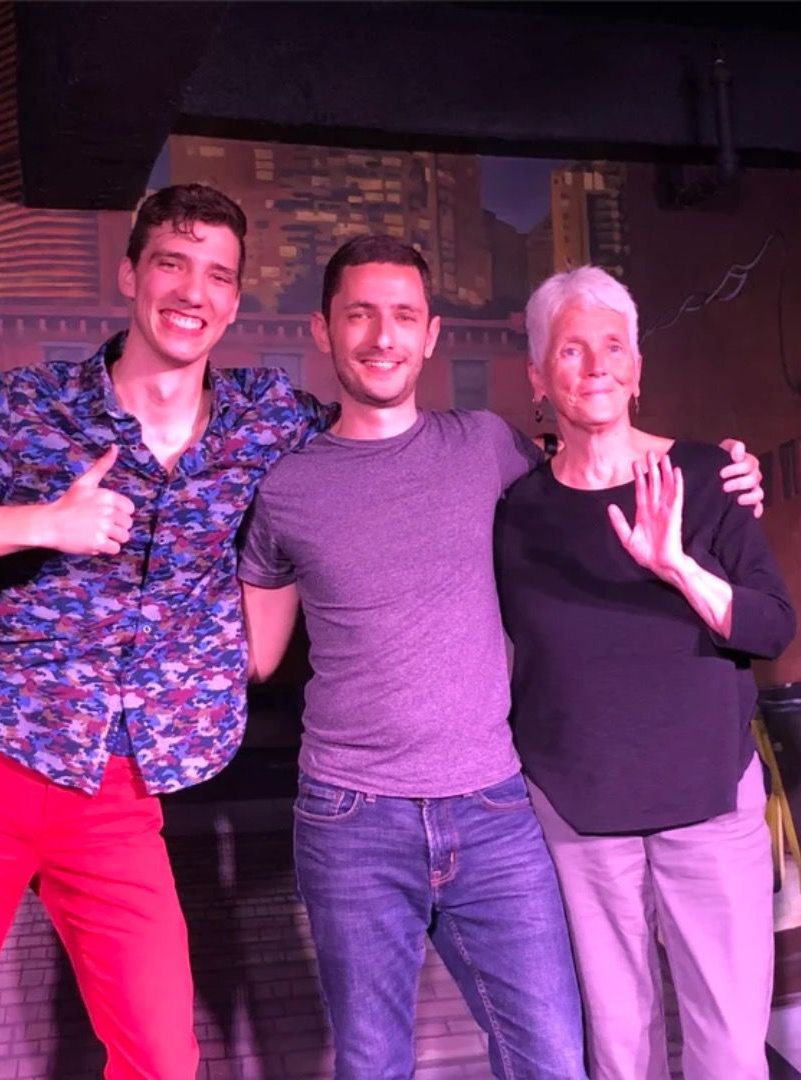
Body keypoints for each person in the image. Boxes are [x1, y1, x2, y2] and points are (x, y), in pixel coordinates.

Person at [237, 236, 766, 1079]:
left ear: (432, 334)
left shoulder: (488, 448)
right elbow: (258, 655)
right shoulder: (288, 488)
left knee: (555, 1058)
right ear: (322, 329)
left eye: (403, 315)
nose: (383, 336)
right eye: (360, 315)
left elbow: (600, 449)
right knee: (373, 1062)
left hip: (492, 809)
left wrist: (713, 468)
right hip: (351, 816)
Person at [0, 184, 332, 1079]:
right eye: (172, 265)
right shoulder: (26, 407)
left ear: (234, 299)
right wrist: (40, 522)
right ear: (129, 275)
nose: (193, 292)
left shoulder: (269, 421)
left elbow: (373, 451)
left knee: (160, 1056)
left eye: (218, 275)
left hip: (117, 790)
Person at [495, 266, 796, 1079]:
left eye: (614, 346)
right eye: (571, 348)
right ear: (538, 376)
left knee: (729, 1049)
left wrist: (679, 569)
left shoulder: (706, 475)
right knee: (618, 1053)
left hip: (706, 802)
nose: (596, 365)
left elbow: (771, 626)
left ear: (637, 367)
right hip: (579, 816)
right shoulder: (516, 512)